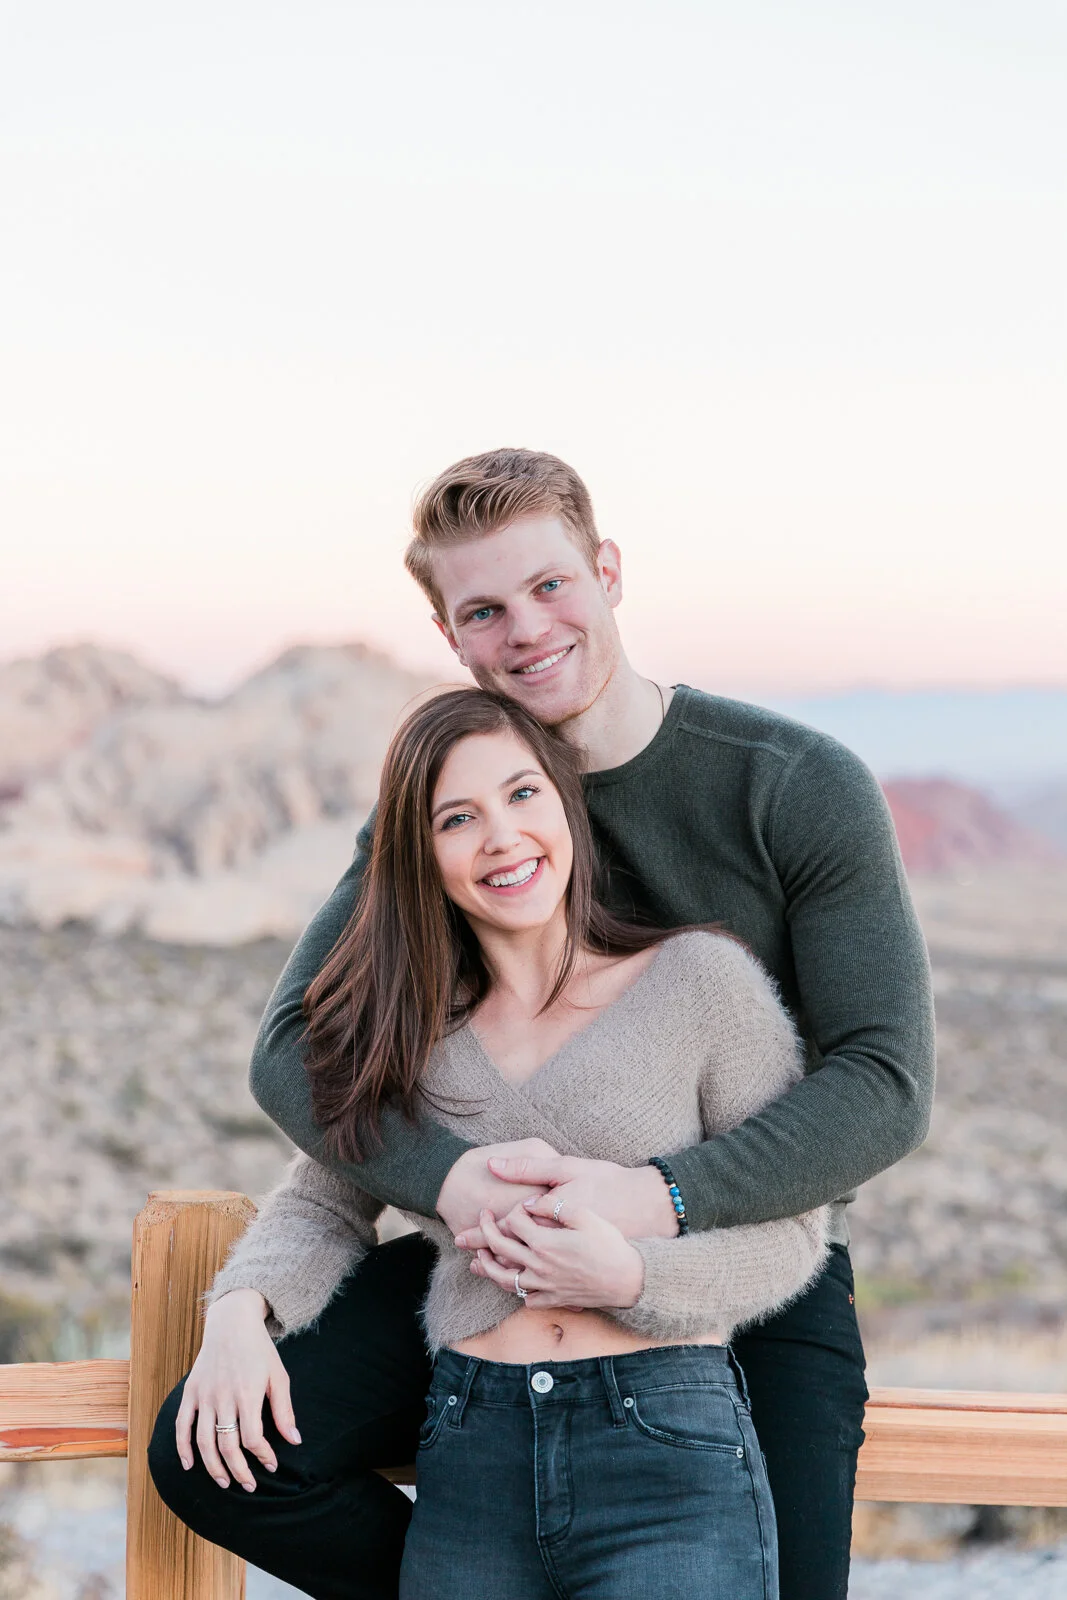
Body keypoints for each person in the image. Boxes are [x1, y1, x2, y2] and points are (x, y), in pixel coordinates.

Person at [149, 448, 935, 1600]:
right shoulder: (446, 811)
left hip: (744, 1249)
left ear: (606, 571)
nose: (525, 629)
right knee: (219, 1453)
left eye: (549, 585)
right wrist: (451, 1181)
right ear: (449, 633)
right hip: (492, 1252)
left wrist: (658, 1197)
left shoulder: (790, 783)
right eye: (483, 610)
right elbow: (295, 1051)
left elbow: (883, 1082)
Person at [157, 687, 830, 1599]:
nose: (502, 838)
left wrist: (631, 1277)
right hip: (472, 1455)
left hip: (666, 1455)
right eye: (457, 818)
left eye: (521, 795)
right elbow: (323, 1202)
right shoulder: (409, 1030)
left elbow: (792, 1233)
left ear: (567, 805)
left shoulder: (702, 982)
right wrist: (238, 1314)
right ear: (421, 855)